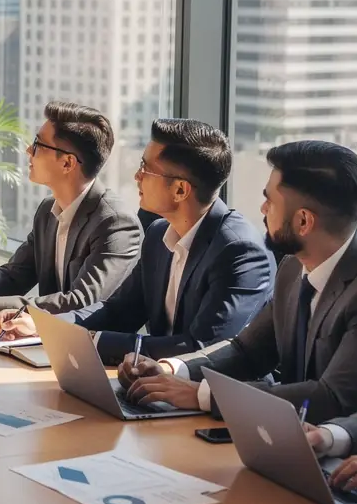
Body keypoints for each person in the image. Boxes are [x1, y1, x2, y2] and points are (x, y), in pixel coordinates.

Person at [120, 140, 357, 423]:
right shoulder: (293, 267)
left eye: (270, 201)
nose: (262, 209)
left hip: (336, 456)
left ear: (303, 222)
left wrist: (202, 395)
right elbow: (246, 350)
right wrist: (173, 369)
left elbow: (329, 398)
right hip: (283, 438)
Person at [0, 101, 142, 335]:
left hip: (95, 356)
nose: (28, 150)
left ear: (67, 163)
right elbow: (14, 276)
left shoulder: (115, 222)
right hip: (46, 343)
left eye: (38, 144)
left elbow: (82, 300)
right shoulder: (48, 211)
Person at [77, 119, 274, 364]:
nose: (137, 176)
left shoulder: (239, 250)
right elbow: (120, 311)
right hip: (152, 384)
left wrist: (92, 341)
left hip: (208, 396)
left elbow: (202, 346)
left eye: (145, 168)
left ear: (180, 190)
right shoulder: (158, 235)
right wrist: (50, 327)